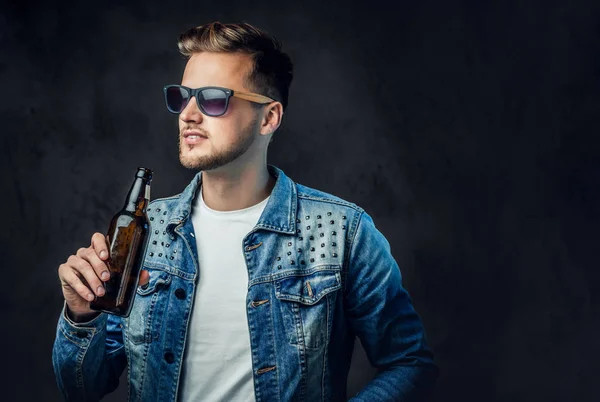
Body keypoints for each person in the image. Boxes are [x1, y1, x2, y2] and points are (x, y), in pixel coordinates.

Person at [52, 21, 438, 402]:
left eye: (213, 98)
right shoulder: (149, 230)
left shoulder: (341, 232)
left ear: (269, 117)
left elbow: (409, 363)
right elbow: (82, 388)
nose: (188, 114)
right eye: (182, 96)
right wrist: (81, 317)